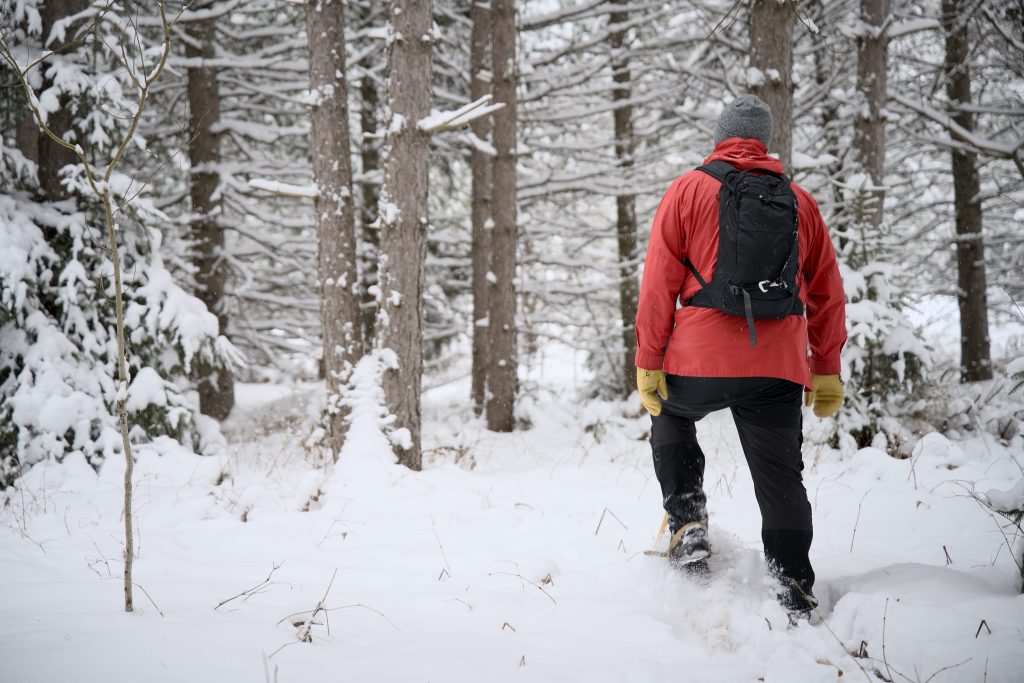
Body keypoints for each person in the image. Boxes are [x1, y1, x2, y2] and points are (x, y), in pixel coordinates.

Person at [634, 94, 847, 619]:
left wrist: (648, 358)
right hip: (777, 363)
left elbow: (659, 284)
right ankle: (793, 579)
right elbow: (826, 293)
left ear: (720, 136)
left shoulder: (687, 190)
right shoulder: (799, 201)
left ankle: (687, 529)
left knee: (670, 414)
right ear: (766, 142)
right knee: (780, 474)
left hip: (697, 360)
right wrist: (826, 371)